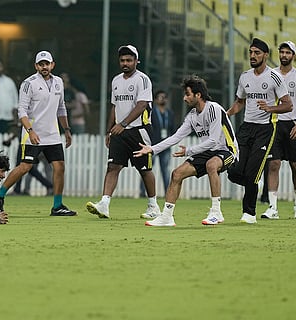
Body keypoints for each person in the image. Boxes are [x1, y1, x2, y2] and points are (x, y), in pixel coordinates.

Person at [134, 75, 238, 226]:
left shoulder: (214, 109)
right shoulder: (192, 116)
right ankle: (167, 217)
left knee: (211, 165)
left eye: (187, 94)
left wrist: (189, 151)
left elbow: (214, 141)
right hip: (208, 151)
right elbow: (176, 137)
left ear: (198, 95)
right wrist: (151, 149)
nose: (184, 98)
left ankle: (216, 212)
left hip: (227, 150)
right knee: (176, 174)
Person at [0, 50, 76, 216]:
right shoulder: (28, 83)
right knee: (25, 167)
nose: (44, 66)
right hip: (33, 132)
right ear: (36, 66)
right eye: (41, 64)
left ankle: (57, 205)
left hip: (52, 134)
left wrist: (66, 130)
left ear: (53, 65)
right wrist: (30, 131)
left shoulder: (58, 82)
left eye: (47, 63)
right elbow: (21, 110)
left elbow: (61, 107)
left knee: (59, 167)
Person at [86, 45, 160, 219]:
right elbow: (114, 106)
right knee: (113, 166)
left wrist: (124, 124)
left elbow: (142, 105)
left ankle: (153, 206)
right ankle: (104, 204)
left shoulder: (143, 79)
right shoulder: (116, 80)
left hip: (139, 130)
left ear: (136, 61)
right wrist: (109, 131)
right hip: (119, 131)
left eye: (129, 60)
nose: (125, 63)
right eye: (122, 60)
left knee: (144, 168)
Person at [226, 38, 293, 224]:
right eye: (251, 52)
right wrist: (227, 114)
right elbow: (240, 101)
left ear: (265, 55)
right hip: (246, 128)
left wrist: (270, 108)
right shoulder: (245, 77)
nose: (253, 56)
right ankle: (253, 181)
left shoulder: (274, 77)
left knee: (251, 172)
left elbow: (288, 105)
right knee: (234, 170)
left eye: (257, 53)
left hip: (265, 130)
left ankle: (249, 213)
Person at [261, 41, 296, 220]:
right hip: (274, 124)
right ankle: (272, 207)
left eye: (288, 52)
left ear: (293, 55)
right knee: (274, 164)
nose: (284, 55)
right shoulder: (271, 74)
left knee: (295, 165)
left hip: (292, 125)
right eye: (282, 52)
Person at [139, 90, 175, 197]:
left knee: (165, 170)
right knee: (148, 168)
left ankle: (168, 193)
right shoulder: (152, 112)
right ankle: (142, 192)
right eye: (160, 97)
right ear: (155, 100)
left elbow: (172, 128)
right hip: (153, 145)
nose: (162, 99)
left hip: (165, 145)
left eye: (164, 97)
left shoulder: (170, 113)